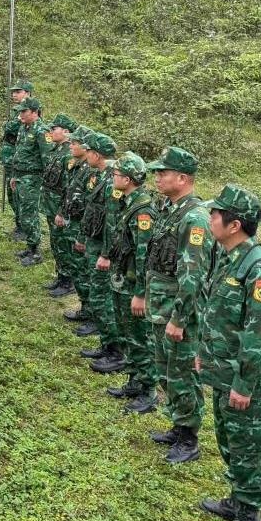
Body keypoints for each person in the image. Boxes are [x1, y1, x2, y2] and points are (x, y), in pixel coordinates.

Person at [198, 185, 261, 521]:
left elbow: (257, 334)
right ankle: (236, 498)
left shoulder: (260, 271)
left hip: (249, 378)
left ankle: (250, 516)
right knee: (229, 438)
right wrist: (203, 353)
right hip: (223, 369)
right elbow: (215, 313)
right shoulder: (229, 257)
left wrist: (244, 385)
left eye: (216, 215)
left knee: (248, 445)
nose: (210, 218)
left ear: (234, 225)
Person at [139, 146, 216, 464]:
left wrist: (179, 319)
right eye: (156, 173)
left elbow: (192, 276)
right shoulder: (171, 210)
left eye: (163, 173)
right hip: (162, 306)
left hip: (178, 311)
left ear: (182, 178)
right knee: (166, 369)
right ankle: (178, 424)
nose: (157, 178)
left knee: (183, 373)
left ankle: (189, 438)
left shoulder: (195, 219)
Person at [103, 152, 159, 412]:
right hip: (123, 280)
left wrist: (141, 293)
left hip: (133, 285)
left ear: (127, 180)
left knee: (139, 337)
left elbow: (144, 256)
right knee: (128, 333)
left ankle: (149, 391)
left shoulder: (143, 211)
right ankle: (135, 381)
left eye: (116, 174)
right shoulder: (129, 203)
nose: (113, 177)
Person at [78, 132, 121, 366]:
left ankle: (115, 350)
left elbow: (113, 222)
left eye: (88, 152)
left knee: (103, 297)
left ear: (96, 154)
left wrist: (106, 254)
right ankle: (107, 344)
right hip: (95, 241)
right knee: (98, 294)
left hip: (104, 249)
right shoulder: (102, 176)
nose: (85, 156)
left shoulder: (112, 180)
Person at [56, 127, 96, 334]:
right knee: (78, 268)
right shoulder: (77, 166)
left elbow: (92, 206)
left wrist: (83, 233)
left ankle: (93, 315)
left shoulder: (92, 172)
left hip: (83, 227)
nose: (70, 145)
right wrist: (62, 212)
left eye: (75, 143)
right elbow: (69, 192)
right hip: (73, 221)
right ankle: (85, 308)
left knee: (85, 271)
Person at [39, 114, 77, 298]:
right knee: (56, 242)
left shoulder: (69, 155)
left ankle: (68, 281)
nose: (51, 132)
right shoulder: (57, 150)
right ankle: (61, 275)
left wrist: (62, 212)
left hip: (60, 208)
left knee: (63, 243)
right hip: (51, 205)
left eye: (54, 129)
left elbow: (70, 188)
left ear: (66, 132)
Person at [9, 97, 48, 267]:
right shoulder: (24, 128)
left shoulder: (42, 131)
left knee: (29, 214)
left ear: (34, 112)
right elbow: (19, 153)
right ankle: (30, 247)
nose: (21, 114)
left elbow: (47, 159)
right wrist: (14, 176)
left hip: (32, 179)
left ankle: (36, 251)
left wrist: (45, 183)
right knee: (23, 213)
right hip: (20, 176)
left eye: (24, 111)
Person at [0, 80, 34, 241]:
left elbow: (11, 128)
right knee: (12, 194)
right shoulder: (18, 110)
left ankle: (25, 228)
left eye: (18, 91)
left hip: (19, 159)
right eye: (13, 92)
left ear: (27, 93)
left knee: (19, 194)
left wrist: (9, 125)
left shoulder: (28, 110)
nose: (14, 94)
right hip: (11, 158)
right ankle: (20, 225)